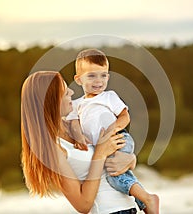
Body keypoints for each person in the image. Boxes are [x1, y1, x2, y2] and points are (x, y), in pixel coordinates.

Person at [21, 71, 139, 213]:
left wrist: (131, 159)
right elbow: (83, 205)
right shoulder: (54, 148)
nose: (71, 92)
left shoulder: (78, 125)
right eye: (64, 92)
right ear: (50, 102)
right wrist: (100, 154)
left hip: (129, 208)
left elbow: (114, 155)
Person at [66, 49, 159, 214]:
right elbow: (73, 124)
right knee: (119, 171)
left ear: (108, 77)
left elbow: (125, 116)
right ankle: (144, 201)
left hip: (118, 138)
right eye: (92, 76)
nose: (98, 81)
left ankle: (147, 198)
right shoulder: (76, 104)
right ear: (79, 80)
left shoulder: (109, 96)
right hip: (103, 145)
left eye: (103, 75)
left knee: (113, 174)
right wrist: (80, 138)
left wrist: (112, 129)